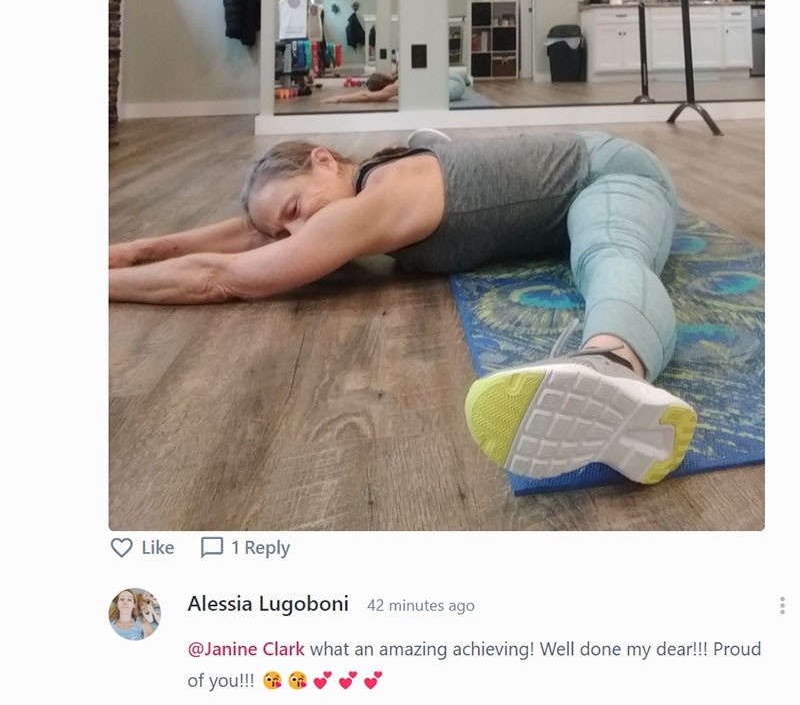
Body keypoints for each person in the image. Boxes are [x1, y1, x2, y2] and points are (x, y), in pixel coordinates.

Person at [109, 129, 697, 486]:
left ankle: (612, 366)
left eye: (294, 210)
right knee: (589, 244)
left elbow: (221, 278)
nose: (295, 234)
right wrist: (137, 252)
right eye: (281, 231)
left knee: (607, 249)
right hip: (556, 201)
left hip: (607, 173)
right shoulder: (354, 189)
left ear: (323, 160)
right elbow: (248, 234)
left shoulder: (375, 198)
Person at [321, 69, 469, 104]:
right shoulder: (399, 76)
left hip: (454, 85)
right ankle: (467, 79)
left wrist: (339, 98)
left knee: (430, 96)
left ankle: (465, 81)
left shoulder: (396, 86)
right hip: (451, 75)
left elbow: (366, 96)